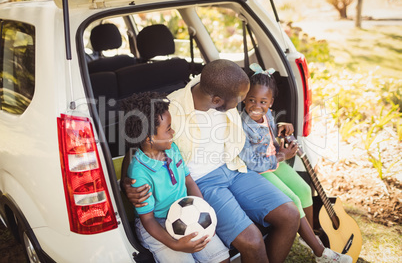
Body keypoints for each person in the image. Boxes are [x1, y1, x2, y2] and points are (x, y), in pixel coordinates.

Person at [122, 59, 300, 263]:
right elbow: (137, 146)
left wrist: (277, 124)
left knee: (290, 215)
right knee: (253, 241)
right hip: (202, 182)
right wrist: (127, 183)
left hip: (234, 168)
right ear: (217, 100)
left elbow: (254, 116)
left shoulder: (220, 88)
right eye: (239, 99)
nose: (242, 103)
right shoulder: (171, 110)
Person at [239, 63, 352, 263]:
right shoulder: (243, 125)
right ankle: (319, 251)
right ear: (244, 99)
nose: (257, 106)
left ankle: (307, 238)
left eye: (263, 102)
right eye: (251, 100)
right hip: (258, 171)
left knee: (304, 189)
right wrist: (281, 157)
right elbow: (253, 163)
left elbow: (270, 130)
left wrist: (281, 126)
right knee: (293, 199)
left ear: (271, 102)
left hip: (274, 161)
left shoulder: (268, 115)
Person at [121, 92, 230, 263]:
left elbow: (188, 181)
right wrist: (175, 245)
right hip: (157, 224)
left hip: (188, 212)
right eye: (168, 128)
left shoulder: (172, 149)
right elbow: (148, 219)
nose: (173, 131)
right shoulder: (139, 172)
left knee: (221, 258)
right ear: (150, 138)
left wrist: (204, 213)